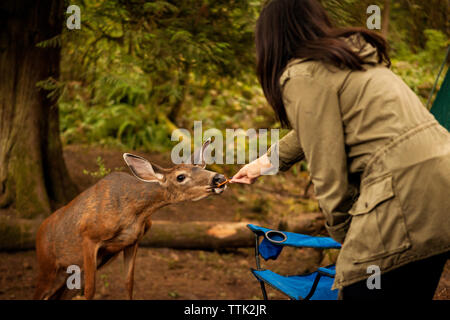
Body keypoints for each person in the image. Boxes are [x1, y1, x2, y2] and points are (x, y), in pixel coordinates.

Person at [231, 0, 450, 300]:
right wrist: (265, 162)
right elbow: (318, 124)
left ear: (271, 40)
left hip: (400, 195)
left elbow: (329, 178)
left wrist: (348, 237)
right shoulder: (351, 59)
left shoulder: (302, 75)